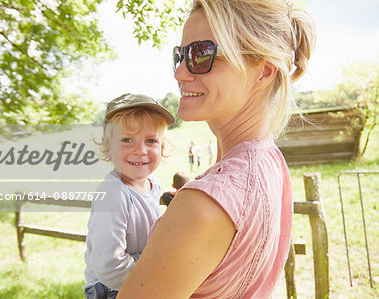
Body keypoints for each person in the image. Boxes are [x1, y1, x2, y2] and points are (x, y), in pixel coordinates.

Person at [117, 0, 315, 298]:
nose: (180, 73)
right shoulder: (269, 161)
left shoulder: (203, 204)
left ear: (263, 71)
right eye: (180, 55)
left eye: (202, 54)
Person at [84, 93, 175, 299]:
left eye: (151, 140)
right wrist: (153, 280)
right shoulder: (113, 194)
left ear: (162, 148)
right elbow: (109, 266)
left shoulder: (153, 184)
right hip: (113, 289)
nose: (140, 150)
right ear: (107, 147)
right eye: (127, 140)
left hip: (137, 279)